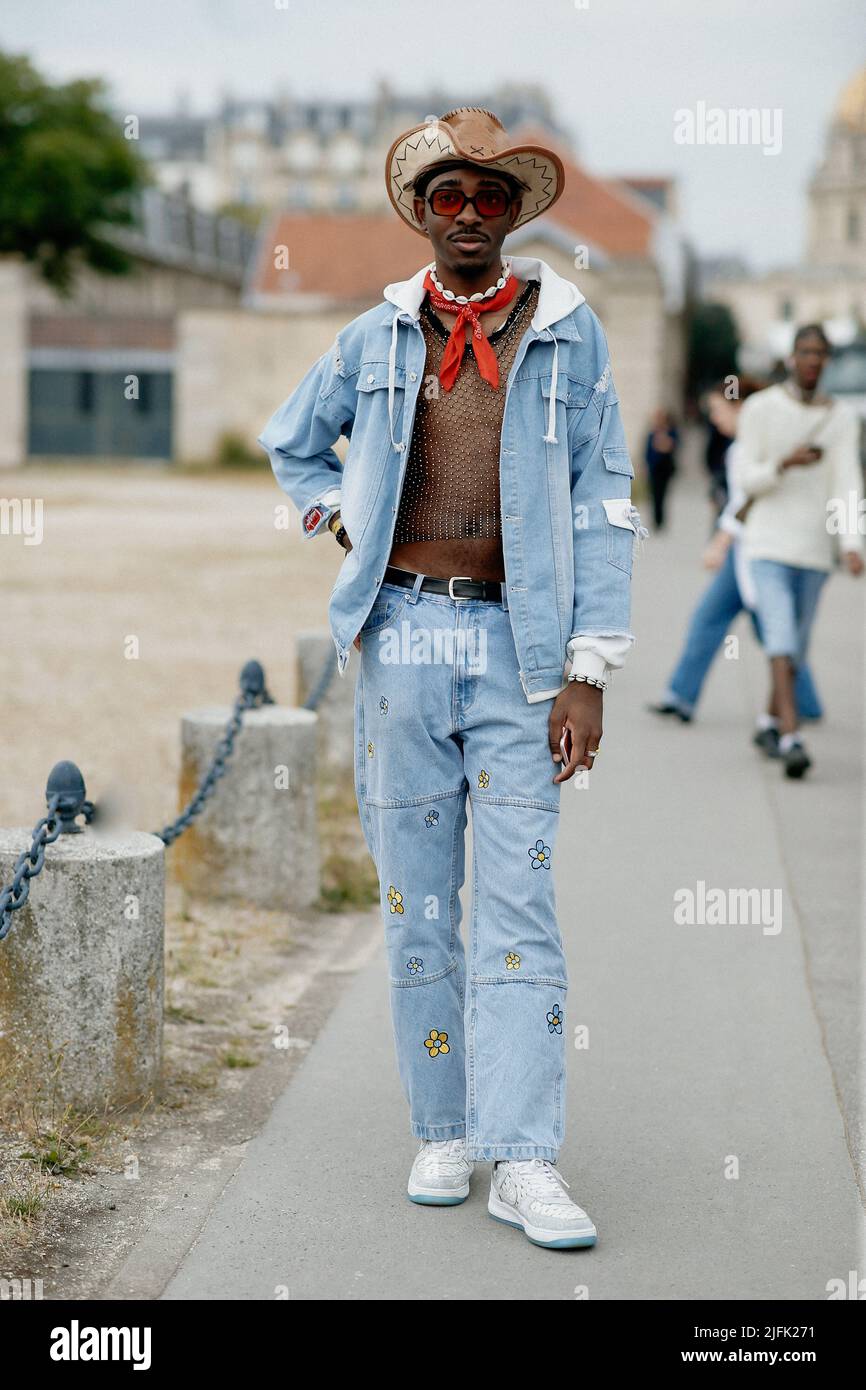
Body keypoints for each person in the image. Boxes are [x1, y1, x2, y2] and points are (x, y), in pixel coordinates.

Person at [258, 108, 641, 1249]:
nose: (467, 214)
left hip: (519, 657)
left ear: (514, 213)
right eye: (446, 197)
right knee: (418, 903)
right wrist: (342, 516)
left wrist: (588, 667)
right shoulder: (374, 337)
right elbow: (293, 443)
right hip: (400, 641)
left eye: (488, 196)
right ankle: (444, 1128)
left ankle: (525, 1157)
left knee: (518, 906)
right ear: (422, 214)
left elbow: (604, 498)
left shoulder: (569, 333)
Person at [649, 380, 823, 723]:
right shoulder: (739, 447)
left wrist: (719, 543)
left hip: (759, 552)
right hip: (743, 555)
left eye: (718, 410)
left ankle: (805, 703)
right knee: (711, 619)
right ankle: (680, 696)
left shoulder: (749, 448)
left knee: (770, 629)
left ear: (740, 407)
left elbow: (746, 504)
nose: (714, 419)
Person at [733, 324, 864, 778]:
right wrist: (783, 463)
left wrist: (851, 541)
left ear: (827, 360)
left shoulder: (842, 417)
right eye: (805, 351)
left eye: (820, 353)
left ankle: (768, 722)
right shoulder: (761, 408)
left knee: (796, 649)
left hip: (814, 551)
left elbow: (848, 480)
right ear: (792, 357)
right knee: (781, 638)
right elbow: (747, 476)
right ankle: (792, 736)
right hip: (768, 544)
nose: (812, 360)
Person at [644, 408, 678, 529]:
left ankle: (661, 521)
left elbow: (671, 447)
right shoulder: (652, 434)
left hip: (665, 470)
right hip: (654, 469)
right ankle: (655, 520)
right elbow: (648, 451)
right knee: (654, 496)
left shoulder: (671, 432)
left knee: (663, 496)